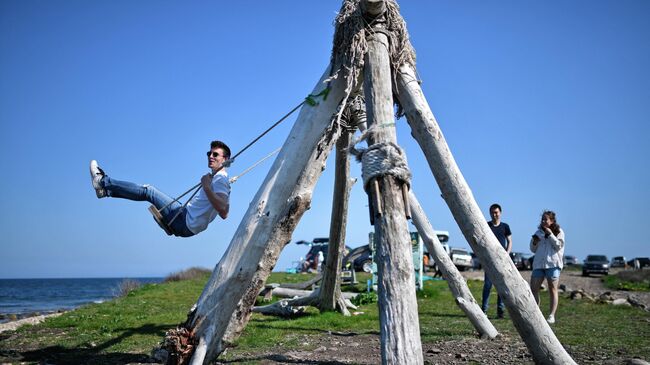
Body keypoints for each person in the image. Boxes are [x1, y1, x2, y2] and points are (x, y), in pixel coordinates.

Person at [89, 140, 231, 237]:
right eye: (209, 153)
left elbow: (223, 211)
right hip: (185, 216)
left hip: (184, 220)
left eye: (215, 154)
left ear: (225, 159)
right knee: (147, 193)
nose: (210, 156)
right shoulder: (219, 178)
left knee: (148, 190)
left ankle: (102, 182)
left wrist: (206, 186)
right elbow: (226, 209)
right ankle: (106, 191)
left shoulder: (220, 178)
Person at [529, 210, 565, 324]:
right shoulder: (538, 232)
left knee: (552, 289)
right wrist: (534, 242)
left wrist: (550, 235)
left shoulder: (559, 232)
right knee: (534, 288)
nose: (544, 221)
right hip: (539, 264)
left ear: (552, 221)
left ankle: (551, 315)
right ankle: (536, 314)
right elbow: (533, 249)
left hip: (553, 264)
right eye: (542, 219)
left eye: (546, 219)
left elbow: (559, 246)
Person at [482, 203, 512, 318]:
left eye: (496, 212)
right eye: (492, 212)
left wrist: (506, 254)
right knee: (488, 285)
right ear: (490, 213)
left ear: (500, 213)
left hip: (502, 260)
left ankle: (500, 311)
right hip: (489, 260)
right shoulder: (486, 225)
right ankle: (484, 309)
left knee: (501, 286)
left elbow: (510, 241)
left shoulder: (505, 226)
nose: (494, 215)